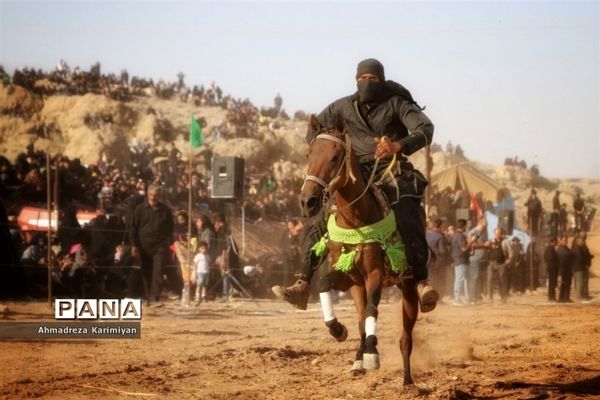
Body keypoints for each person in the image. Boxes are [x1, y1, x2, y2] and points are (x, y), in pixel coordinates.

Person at [272, 58, 438, 312]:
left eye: (373, 79)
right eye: (363, 78)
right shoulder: (341, 107)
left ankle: (421, 281)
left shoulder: (396, 103)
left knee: (406, 211)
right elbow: (315, 133)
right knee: (318, 220)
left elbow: (425, 127)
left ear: (381, 81)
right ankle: (303, 283)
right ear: (356, 79)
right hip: (351, 171)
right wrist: (329, 148)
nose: (367, 83)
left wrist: (397, 145)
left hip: (388, 168)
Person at [129, 184, 174, 307]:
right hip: (143, 245)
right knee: (146, 271)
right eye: (151, 195)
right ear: (148, 194)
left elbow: (170, 227)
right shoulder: (140, 209)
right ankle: (147, 296)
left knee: (158, 271)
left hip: (159, 245)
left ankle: (155, 297)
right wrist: (133, 245)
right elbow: (133, 228)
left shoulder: (165, 210)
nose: (153, 198)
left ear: (159, 196)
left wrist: (168, 242)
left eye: (156, 195)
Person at [451, 219, 474, 305]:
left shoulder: (458, 235)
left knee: (466, 280)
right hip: (461, 260)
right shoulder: (459, 236)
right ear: (464, 226)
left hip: (464, 260)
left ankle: (467, 299)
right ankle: (457, 300)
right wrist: (472, 241)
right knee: (459, 279)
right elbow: (464, 249)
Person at [467, 218, 489, 303]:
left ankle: (479, 296)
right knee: (474, 278)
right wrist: (484, 244)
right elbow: (472, 245)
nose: (487, 224)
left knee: (481, 278)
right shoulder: (473, 232)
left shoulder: (485, 232)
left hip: (483, 259)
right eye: (485, 223)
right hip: (474, 259)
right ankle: (472, 297)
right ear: (480, 223)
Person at [486, 227, 510, 303]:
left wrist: (508, 261)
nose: (498, 235)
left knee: (502, 280)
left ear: (502, 234)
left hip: (501, 264)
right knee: (489, 280)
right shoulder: (491, 241)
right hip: (491, 263)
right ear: (494, 234)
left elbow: (511, 252)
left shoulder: (506, 241)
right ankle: (490, 297)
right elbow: (486, 249)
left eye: (499, 234)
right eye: (496, 234)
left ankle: (503, 298)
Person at [571, 232, 593, 300]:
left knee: (584, 282)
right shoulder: (577, 246)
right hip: (579, 267)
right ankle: (580, 296)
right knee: (580, 282)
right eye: (583, 238)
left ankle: (584, 295)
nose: (584, 240)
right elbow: (580, 257)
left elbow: (586, 254)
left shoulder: (583, 246)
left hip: (583, 267)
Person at [556, 234, 573, 303]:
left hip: (568, 269)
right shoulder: (559, 249)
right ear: (560, 241)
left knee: (568, 284)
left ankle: (567, 297)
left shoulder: (567, 249)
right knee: (563, 284)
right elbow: (559, 261)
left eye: (566, 240)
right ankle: (561, 298)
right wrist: (559, 272)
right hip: (562, 269)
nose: (565, 242)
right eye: (564, 240)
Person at [544, 236, 559, 302]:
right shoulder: (550, 248)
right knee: (552, 283)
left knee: (552, 283)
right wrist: (554, 264)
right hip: (552, 268)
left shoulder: (550, 248)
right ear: (553, 241)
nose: (557, 242)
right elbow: (550, 258)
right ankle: (551, 297)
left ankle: (552, 296)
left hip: (551, 268)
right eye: (556, 241)